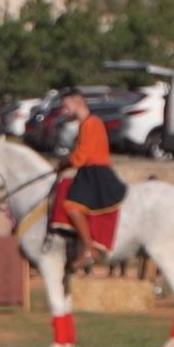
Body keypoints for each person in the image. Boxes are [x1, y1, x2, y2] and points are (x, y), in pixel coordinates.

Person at [53, 88, 126, 270]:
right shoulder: (85, 124)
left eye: (65, 105)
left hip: (96, 173)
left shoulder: (90, 123)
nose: (63, 110)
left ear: (76, 102)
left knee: (71, 206)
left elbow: (81, 157)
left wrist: (65, 163)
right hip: (88, 172)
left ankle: (88, 249)